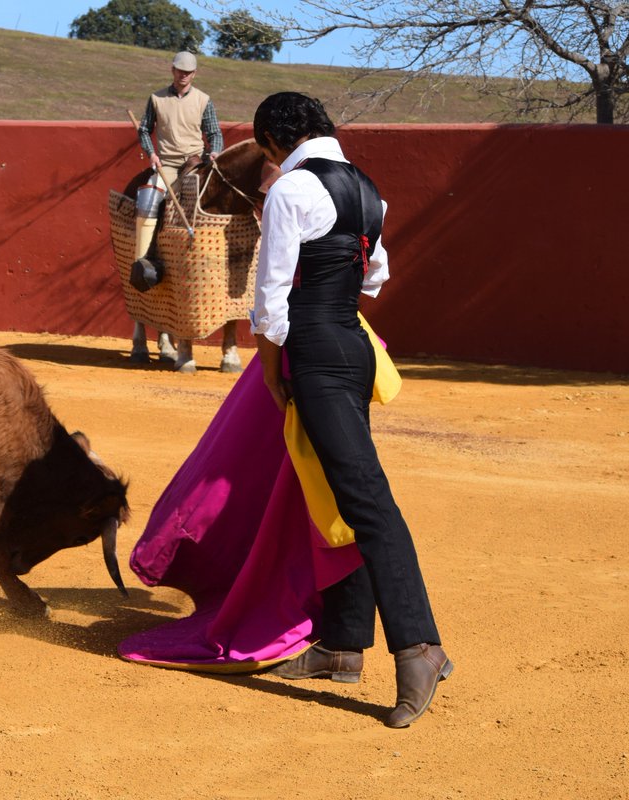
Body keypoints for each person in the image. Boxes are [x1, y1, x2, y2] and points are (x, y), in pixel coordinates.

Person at [250, 92, 452, 728]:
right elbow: (373, 278)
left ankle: (420, 645)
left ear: (274, 141)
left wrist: (270, 370)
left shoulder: (289, 189)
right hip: (354, 345)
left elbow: (271, 300)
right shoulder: (368, 190)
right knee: (337, 490)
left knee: (364, 498)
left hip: (315, 352)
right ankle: (341, 643)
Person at [130, 51, 225, 369]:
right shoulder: (156, 98)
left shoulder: (203, 100)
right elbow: (144, 129)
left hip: (195, 163)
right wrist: (151, 154)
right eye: (179, 71)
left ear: (194, 74)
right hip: (168, 164)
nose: (183, 75)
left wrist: (215, 152)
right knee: (148, 198)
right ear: (172, 71)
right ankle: (142, 259)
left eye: (188, 72)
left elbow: (214, 133)